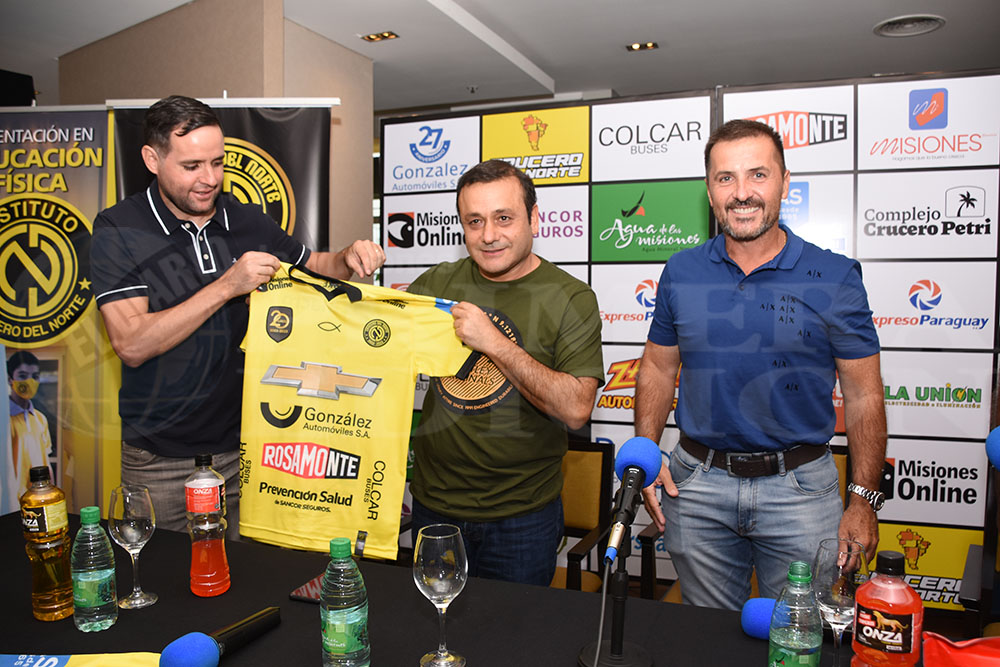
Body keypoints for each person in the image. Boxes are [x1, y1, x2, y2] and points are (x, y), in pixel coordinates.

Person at [91, 95, 384, 537]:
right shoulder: (118, 228)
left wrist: (348, 257)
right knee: (162, 575)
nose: (209, 179)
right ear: (152, 159)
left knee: (246, 573)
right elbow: (131, 343)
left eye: (218, 163)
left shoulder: (246, 220)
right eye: (192, 166)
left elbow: (314, 266)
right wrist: (227, 286)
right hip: (161, 460)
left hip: (246, 448)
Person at [635, 119, 886, 609]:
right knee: (706, 636)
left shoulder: (835, 276)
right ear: (709, 190)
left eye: (758, 175)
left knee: (798, 638)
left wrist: (863, 500)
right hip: (696, 488)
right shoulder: (681, 271)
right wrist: (646, 449)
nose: (741, 193)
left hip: (800, 491)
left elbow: (864, 394)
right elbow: (658, 369)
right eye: (725, 178)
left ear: (785, 183)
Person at [407, 159, 603, 585]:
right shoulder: (434, 285)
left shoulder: (571, 297)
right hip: (435, 506)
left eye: (503, 218)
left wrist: (493, 342)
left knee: (514, 628)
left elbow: (575, 409)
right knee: (435, 619)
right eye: (475, 221)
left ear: (534, 218)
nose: (489, 235)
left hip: (522, 518)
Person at [7, 350, 54, 499]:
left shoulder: (40, 419)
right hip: (13, 502)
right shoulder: (4, 419)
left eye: (35, 376)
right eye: (22, 376)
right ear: (10, 379)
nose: (29, 381)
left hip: (39, 498)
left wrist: (52, 493)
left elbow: (46, 463)